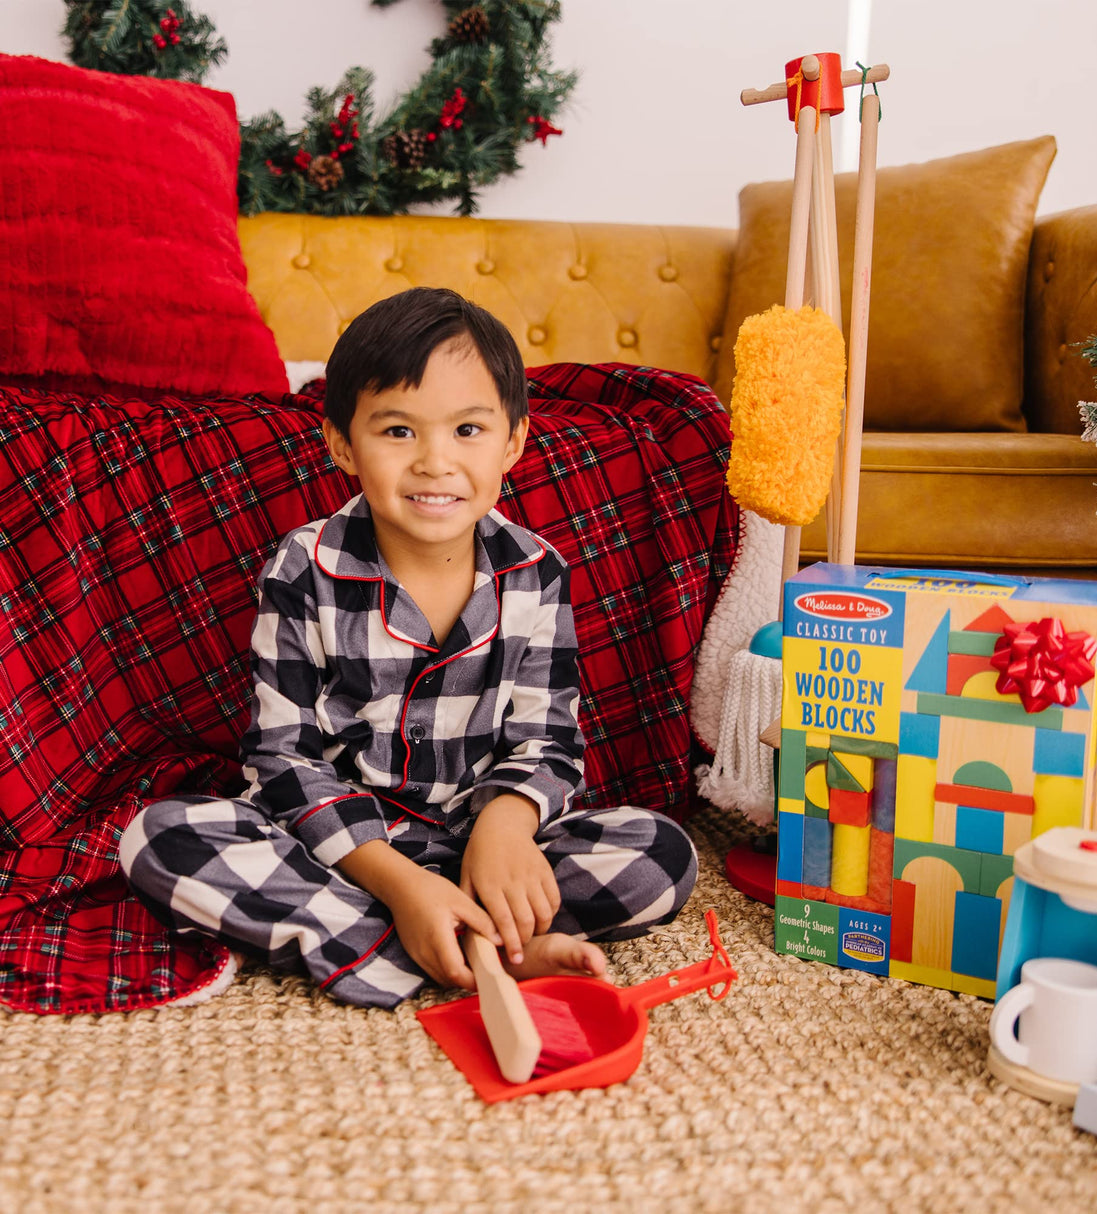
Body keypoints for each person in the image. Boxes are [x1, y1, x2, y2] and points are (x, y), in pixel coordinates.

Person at [119, 287, 698, 1008]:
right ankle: (471, 946)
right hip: (344, 851)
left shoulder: (537, 570)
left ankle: (441, 929)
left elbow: (547, 741)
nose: (434, 462)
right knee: (159, 837)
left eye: (467, 430)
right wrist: (400, 882)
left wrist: (505, 829)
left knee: (659, 854)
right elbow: (282, 758)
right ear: (342, 445)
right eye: (398, 432)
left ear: (513, 442)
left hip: (474, 838)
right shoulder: (304, 568)